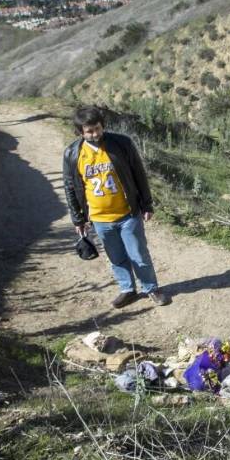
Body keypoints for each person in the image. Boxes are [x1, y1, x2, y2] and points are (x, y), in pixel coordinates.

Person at [63, 105, 170, 308]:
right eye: (89, 131)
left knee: (138, 254)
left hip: (128, 213)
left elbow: (139, 174)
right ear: (80, 132)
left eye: (98, 128)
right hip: (99, 218)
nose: (95, 134)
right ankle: (127, 290)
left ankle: (151, 288)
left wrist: (146, 204)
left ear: (102, 125)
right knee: (116, 257)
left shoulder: (121, 144)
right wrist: (78, 218)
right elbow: (70, 187)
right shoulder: (72, 154)